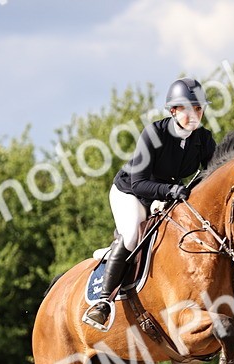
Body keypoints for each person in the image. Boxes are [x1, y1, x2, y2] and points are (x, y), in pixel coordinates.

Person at [82, 77, 217, 330]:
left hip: (165, 197)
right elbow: (139, 183)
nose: (194, 115)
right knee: (132, 234)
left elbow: (212, 175)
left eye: (199, 108)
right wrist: (170, 191)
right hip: (131, 192)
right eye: (187, 109)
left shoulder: (203, 139)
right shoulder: (154, 134)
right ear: (173, 110)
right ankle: (103, 302)